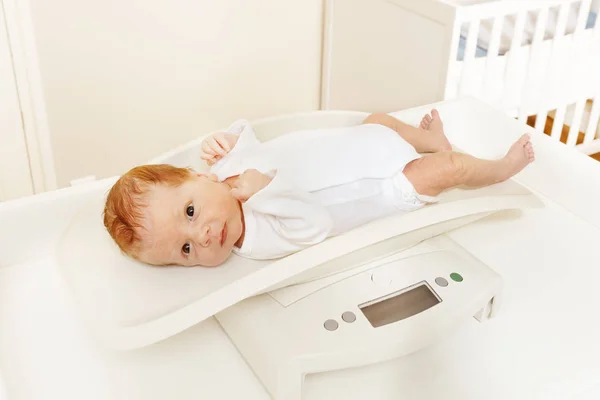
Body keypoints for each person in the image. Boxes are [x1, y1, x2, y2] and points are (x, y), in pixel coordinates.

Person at [103, 109, 534, 267]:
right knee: (449, 167)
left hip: (355, 147)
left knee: (380, 120)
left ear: (198, 177)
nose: (201, 237)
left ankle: (427, 140)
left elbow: (250, 136)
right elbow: (316, 223)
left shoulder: (225, 170)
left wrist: (226, 141)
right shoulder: (254, 238)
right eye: (186, 251)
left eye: (190, 214)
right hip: (383, 186)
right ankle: (496, 170)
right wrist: (265, 191)